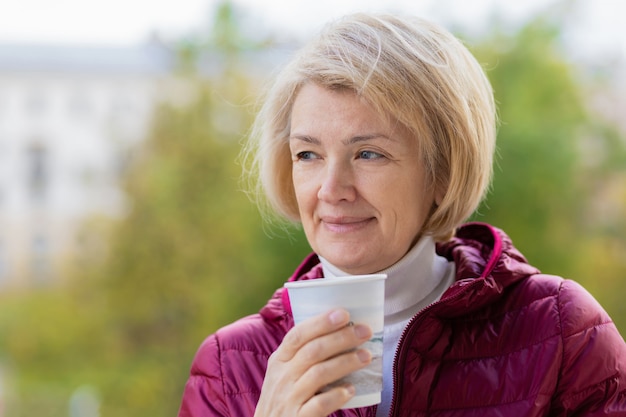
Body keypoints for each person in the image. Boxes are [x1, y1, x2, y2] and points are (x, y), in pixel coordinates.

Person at [178, 12, 626, 417]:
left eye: (369, 153)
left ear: (442, 172)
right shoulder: (228, 367)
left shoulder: (564, 333)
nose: (331, 190)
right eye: (308, 154)